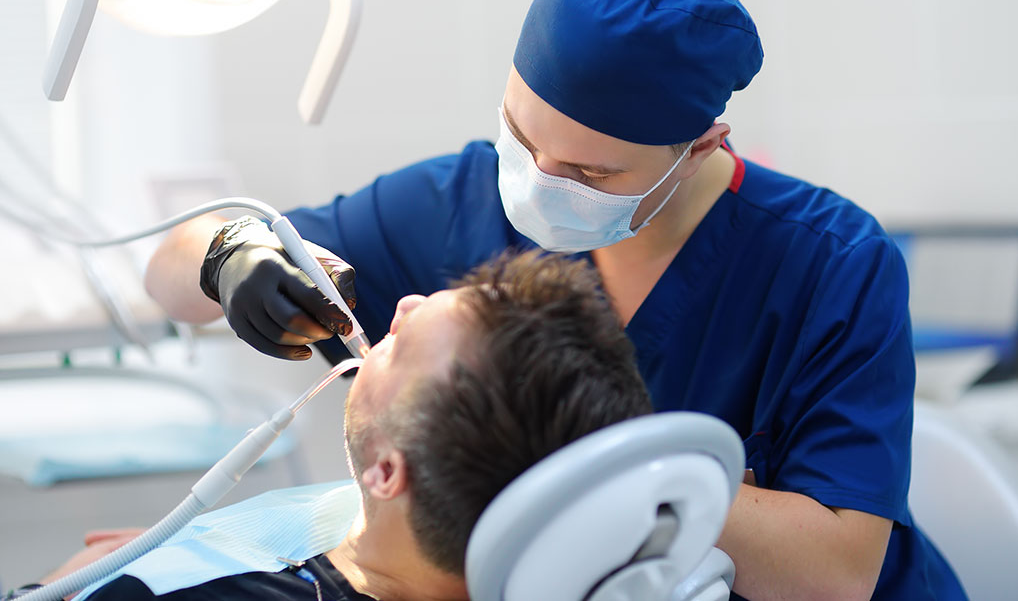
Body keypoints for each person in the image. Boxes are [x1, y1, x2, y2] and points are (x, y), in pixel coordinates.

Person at [143, 0, 966, 600]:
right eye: (522, 134)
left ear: (702, 145)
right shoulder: (462, 196)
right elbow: (165, 273)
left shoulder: (831, 263)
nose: (537, 184)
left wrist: (585, 443)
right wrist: (229, 253)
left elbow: (836, 572)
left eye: (589, 174)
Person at [9, 251, 652, 600]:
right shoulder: (427, 526)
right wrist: (198, 544)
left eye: (401, 343)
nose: (402, 304)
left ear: (388, 472)